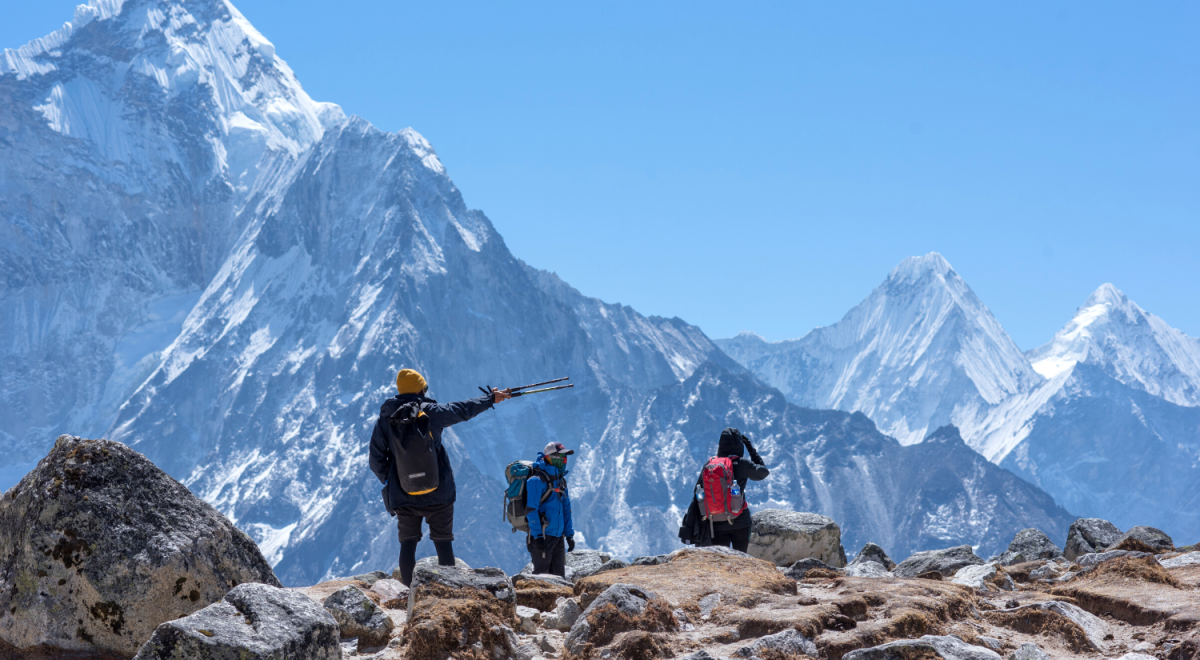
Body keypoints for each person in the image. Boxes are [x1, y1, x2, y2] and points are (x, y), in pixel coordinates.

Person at [368, 368, 511, 585]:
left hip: (404, 494)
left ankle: (408, 597)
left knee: (407, 544)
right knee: (443, 543)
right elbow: (462, 409)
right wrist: (490, 398)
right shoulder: (431, 412)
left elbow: (376, 458)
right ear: (421, 389)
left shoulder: (386, 419)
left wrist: (392, 481)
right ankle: (448, 592)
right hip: (439, 492)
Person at [678, 427, 769, 552]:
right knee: (743, 561)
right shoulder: (742, 463)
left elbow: (697, 494)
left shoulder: (710, 465)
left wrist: (688, 527)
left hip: (716, 524)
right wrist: (752, 451)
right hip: (740, 522)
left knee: (721, 562)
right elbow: (763, 472)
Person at [525, 441, 576, 577]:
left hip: (558, 537)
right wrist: (538, 537)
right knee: (541, 578)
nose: (563, 461)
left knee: (559, 578)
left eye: (564, 458)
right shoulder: (536, 481)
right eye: (560, 458)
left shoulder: (561, 481)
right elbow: (531, 510)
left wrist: (569, 534)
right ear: (549, 458)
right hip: (543, 536)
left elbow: (566, 509)